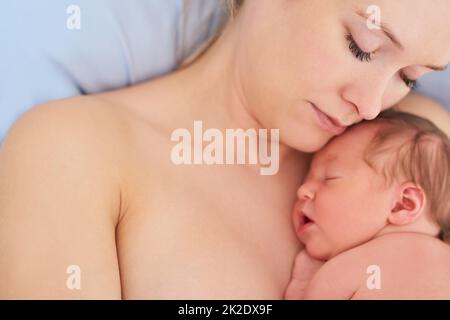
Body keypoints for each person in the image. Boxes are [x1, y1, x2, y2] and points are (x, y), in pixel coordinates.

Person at [0, 0, 450, 299]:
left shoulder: (421, 146)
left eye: (408, 75)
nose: (371, 106)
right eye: (363, 47)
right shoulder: (73, 153)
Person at [285, 111, 450, 299]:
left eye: (330, 178)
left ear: (402, 204)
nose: (302, 190)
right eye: (308, 177)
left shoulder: (350, 267)